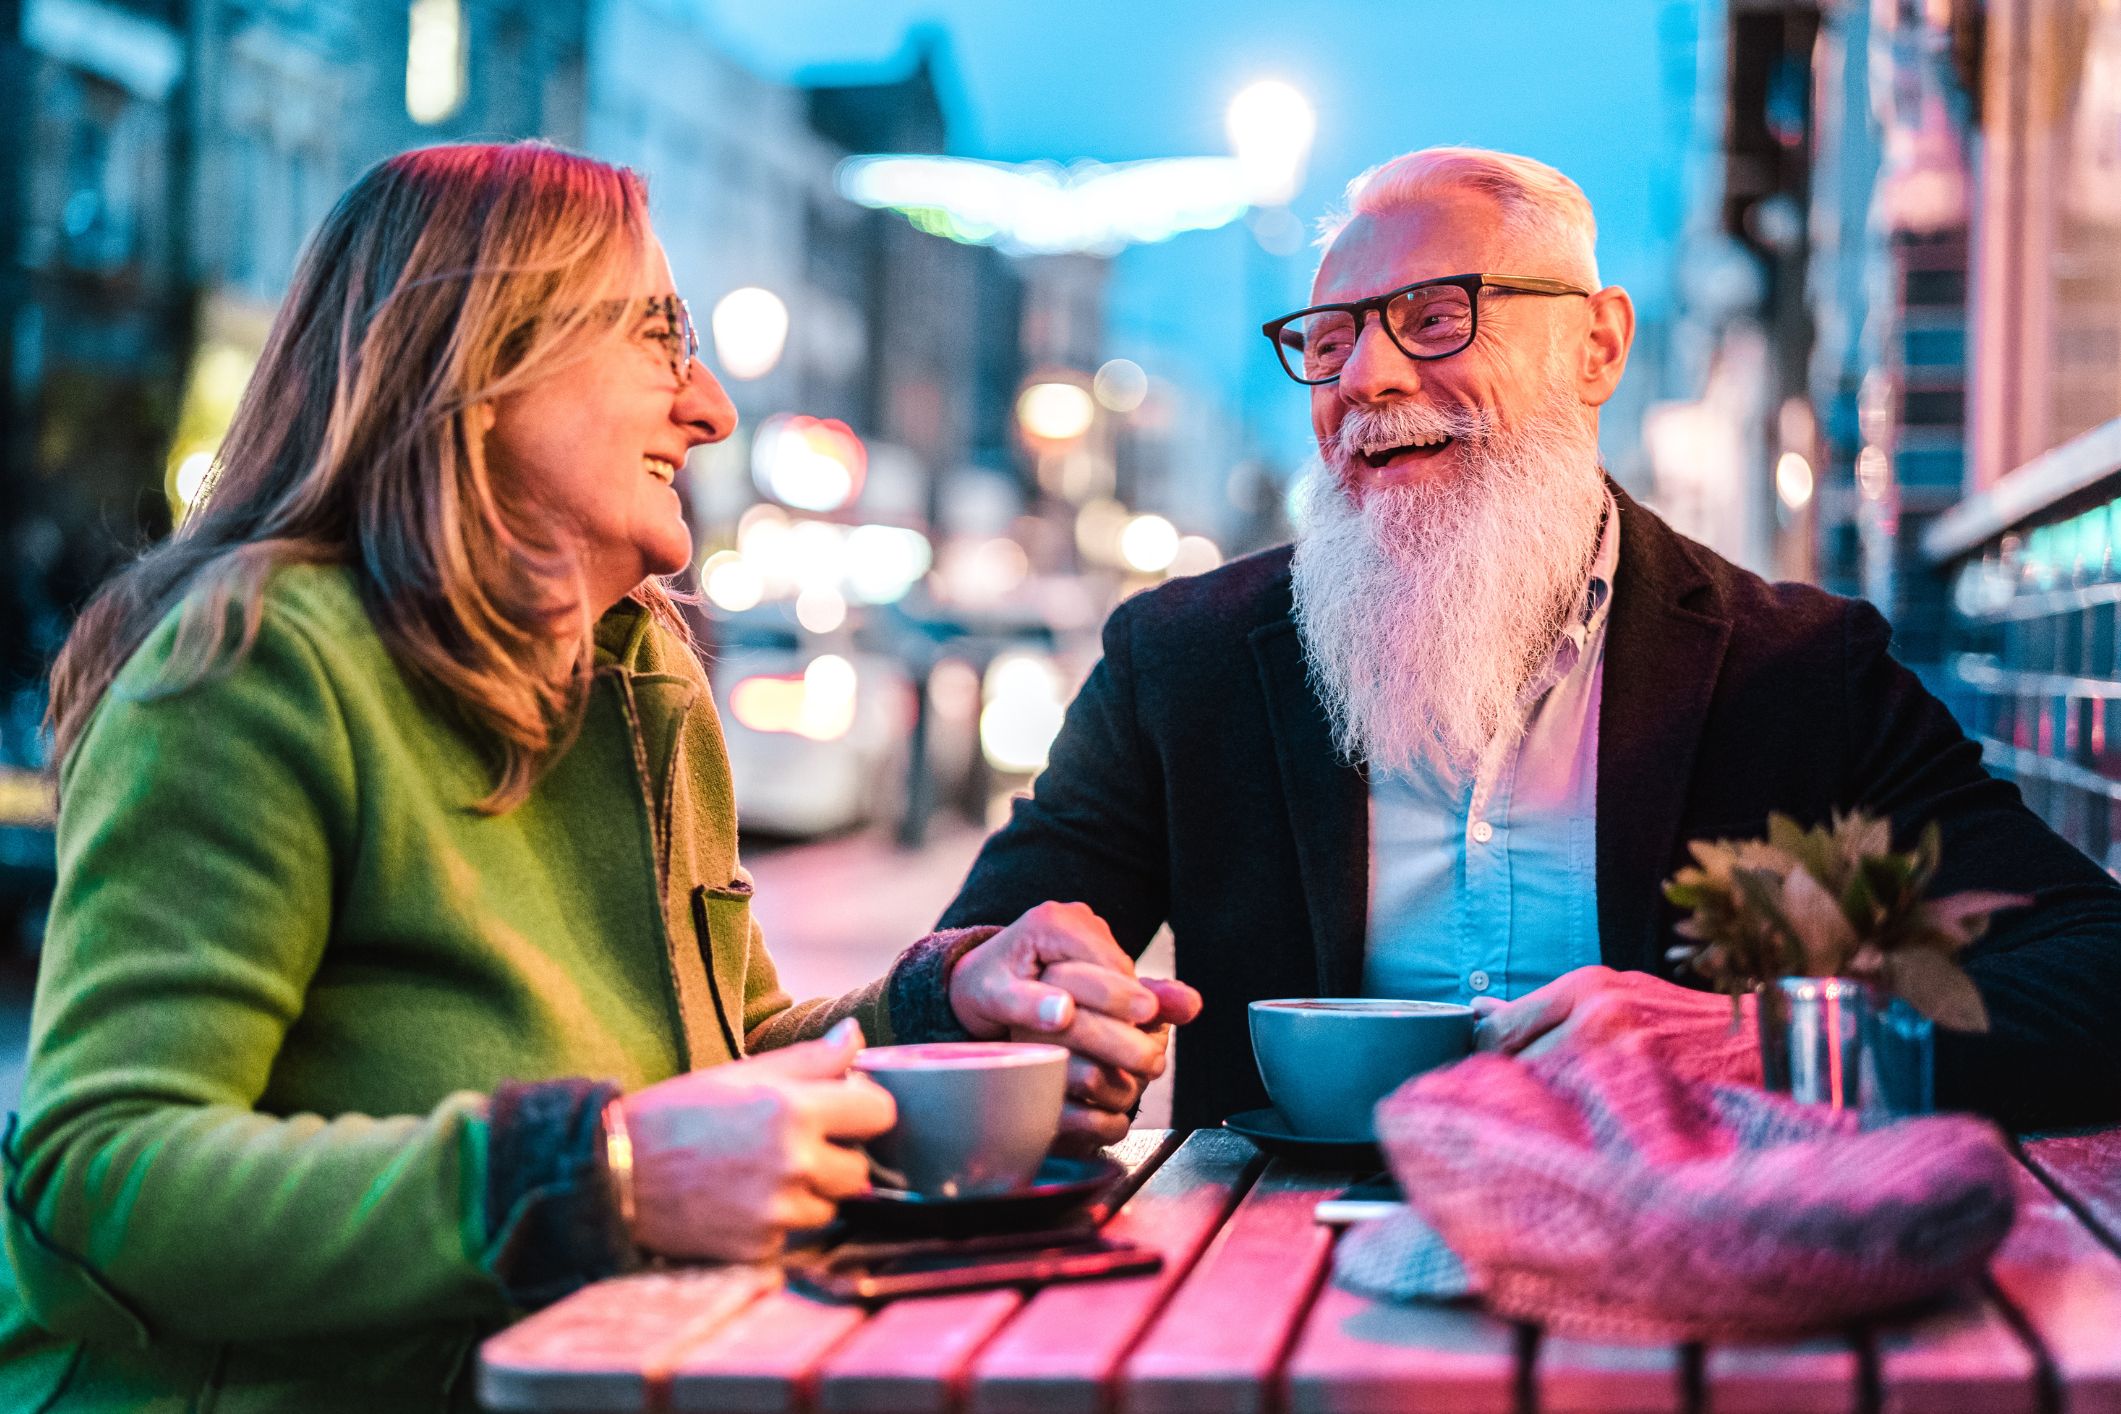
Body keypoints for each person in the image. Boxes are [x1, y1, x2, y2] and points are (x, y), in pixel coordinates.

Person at [0, 142, 1198, 1413]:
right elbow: (96, 1169)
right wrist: (596, 1180)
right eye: (659, 334)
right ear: (481, 355)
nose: (712, 408)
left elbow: (717, 1067)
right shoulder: (262, 661)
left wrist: (947, 1024)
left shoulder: (639, 683)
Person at [939, 145, 2121, 1133]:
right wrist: (1027, 1000)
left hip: (1677, 1266)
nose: (1369, 376)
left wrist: (1761, 1043)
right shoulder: (1180, 660)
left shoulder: (1796, 670)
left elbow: (2093, 975)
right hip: (1266, 1299)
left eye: (1437, 316)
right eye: (1331, 338)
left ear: (1598, 346)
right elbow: (972, 972)